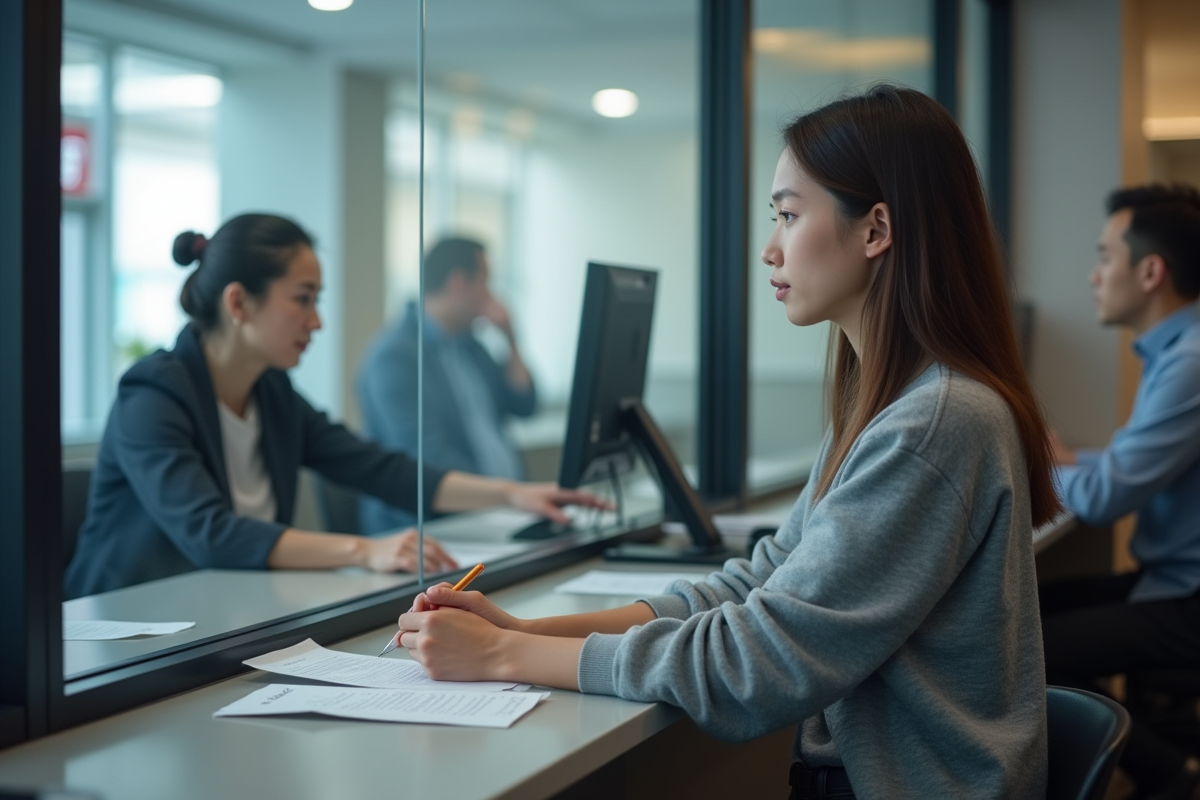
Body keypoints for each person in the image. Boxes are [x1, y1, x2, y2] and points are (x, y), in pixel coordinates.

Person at [392, 86, 1059, 799]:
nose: (770, 248)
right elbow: (757, 584)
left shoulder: (934, 422)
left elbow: (754, 663)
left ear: (876, 230)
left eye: (790, 216)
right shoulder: (885, 406)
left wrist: (504, 655)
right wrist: (530, 631)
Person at [66, 214, 602, 599]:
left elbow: (379, 467)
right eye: (303, 299)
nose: (316, 321)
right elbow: (211, 533)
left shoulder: (271, 393)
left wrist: (515, 493)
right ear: (238, 303)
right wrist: (364, 550)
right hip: (129, 631)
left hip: (225, 609)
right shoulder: (153, 394)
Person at [1042, 184, 1200, 800]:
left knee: (1024, 647)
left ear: (1151, 270)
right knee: (1022, 610)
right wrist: (1072, 458)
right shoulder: (1181, 351)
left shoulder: (1189, 360)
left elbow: (1108, 497)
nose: (1092, 275)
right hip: (1172, 580)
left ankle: (1172, 778)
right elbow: (1142, 462)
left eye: (1105, 257)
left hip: (1187, 598)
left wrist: (1032, 467)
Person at [358, 237, 536, 534]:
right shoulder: (394, 357)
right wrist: (505, 498)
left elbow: (525, 404)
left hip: (499, 514)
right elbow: (427, 458)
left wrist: (511, 339)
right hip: (434, 528)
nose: (490, 296)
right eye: (485, 282)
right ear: (457, 283)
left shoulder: (472, 348)